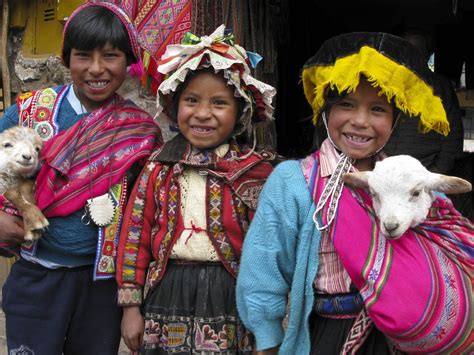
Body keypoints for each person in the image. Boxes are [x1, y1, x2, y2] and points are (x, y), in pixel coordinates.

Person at [236, 32, 473, 354]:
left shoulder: (411, 182)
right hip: (327, 333)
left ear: (394, 121)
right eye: (346, 105)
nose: (360, 121)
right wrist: (267, 339)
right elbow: (263, 268)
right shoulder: (293, 182)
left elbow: (447, 239)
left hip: (402, 335)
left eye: (377, 109)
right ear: (325, 113)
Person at [0, 2, 162, 354]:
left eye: (111, 56)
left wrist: (133, 299)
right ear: (66, 58)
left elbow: (149, 212)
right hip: (36, 276)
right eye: (83, 55)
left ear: (128, 61)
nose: (96, 69)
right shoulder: (29, 113)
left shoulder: (140, 133)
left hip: (101, 287)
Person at [115, 25, 278, 354]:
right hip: (167, 289)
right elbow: (134, 236)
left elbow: (267, 250)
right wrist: (131, 308)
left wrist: (267, 318)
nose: (203, 113)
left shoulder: (254, 172)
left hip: (232, 292)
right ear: (175, 107)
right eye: (191, 100)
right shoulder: (158, 169)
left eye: (219, 103)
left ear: (241, 112)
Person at [384, 28, 464, 175]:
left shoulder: (441, 87)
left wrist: (436, 172)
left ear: (428, 54)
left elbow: (453, 137)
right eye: (406, 49)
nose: (412, 55)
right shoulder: (382, 82)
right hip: (381, 170)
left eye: (418, 50)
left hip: (425, 173)